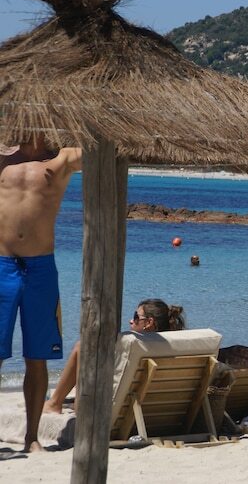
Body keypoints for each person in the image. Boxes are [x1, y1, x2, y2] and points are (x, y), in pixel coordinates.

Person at [0, 137, 81, 452]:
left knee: (37, 358)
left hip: (41, 269)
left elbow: (108, 150)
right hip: (2, 265)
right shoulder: (2, 156)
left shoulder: (62, 159)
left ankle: (31, 438)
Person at [43, 299, 186, 414]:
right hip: (162, 411)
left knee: (82, 347)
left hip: (119, 411)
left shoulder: (135, 346)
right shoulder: (176, 349)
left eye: (136, 317)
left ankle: (54, 403)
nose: (131, 321)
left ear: (149, 323)